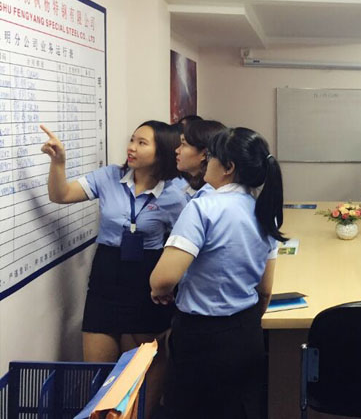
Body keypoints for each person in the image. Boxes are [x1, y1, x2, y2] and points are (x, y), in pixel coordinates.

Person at [40, 121, 187, 418]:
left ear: (162, 151)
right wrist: (58, 163)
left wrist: (170, 285)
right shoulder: (109, 177)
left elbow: (183, 245)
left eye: (142, 143)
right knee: (99, 369)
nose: (131, 147)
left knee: (146, 364)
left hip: (147, 280)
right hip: (106, 275)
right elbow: (61, 194)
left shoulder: (176, 193)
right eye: (132, 140)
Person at [150, 127, 285, 419]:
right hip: (246, 333)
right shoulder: (265, 211)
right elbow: (265, 290)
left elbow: (163, 278)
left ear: (228, 167)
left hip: (202, 338)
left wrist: (159, 291)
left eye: (211, 157)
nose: (206, 162)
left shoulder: (203, 207)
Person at [174, 119, 226, 199]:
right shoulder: (193, 186)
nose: (177, 150)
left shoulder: (209, 196)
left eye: (184, 144)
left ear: (204, 154)